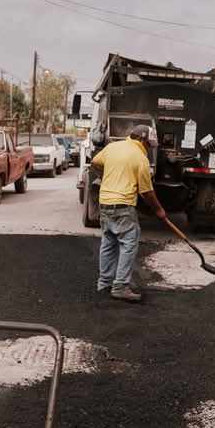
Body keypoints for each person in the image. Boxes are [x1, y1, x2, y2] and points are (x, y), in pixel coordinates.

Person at [91, 124, 168, 302]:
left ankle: (104, 283)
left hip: (105, 203)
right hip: (123, 206)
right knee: (129, 243)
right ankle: (120, 287)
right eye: (148, 144)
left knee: (108, 242)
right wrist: (159, 210)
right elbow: (147, 192)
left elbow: (95, 161)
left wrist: (109, 173)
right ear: (141, 139)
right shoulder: (140, 158)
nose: (148, 148)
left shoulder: (112, 147)